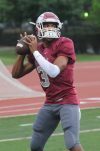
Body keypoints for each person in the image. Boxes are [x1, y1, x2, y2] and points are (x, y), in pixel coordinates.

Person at [12, 12, 84, 151]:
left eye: (53, 25)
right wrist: (22, 53)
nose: (50, 27)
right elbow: (16, 74)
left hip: (67, 101)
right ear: (38, 27)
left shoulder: (65, 43)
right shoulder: (38, 48)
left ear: (59, 27)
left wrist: (34, 52)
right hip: (50, 102)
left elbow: (54, 71)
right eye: (46, 25)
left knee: (72, 144)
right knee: (35, 146)